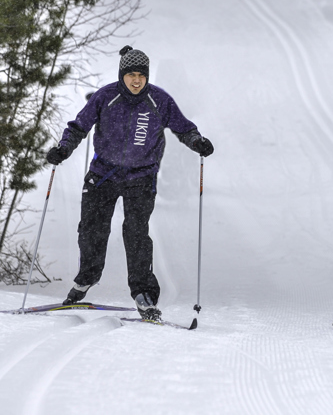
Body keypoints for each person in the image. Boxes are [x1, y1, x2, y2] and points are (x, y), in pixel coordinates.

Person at [46, 45, 214, 321]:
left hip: (141, 178)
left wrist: (197, 141)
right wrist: (64, 148)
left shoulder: (159, 100)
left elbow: (184, 127)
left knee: (136, 235)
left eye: (141, 75)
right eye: (131, 75)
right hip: (103, 175)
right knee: (91, 230)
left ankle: (143, 294)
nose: (137, 80)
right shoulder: (105, 97)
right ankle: (86, 279)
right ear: (122, 75)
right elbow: (79, 126)